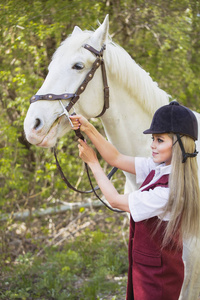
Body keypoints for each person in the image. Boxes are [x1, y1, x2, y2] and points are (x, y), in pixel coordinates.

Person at [70, 101, 200, 300]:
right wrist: (89, 128)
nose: (152, 145)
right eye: (153, 139)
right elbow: (116, 158)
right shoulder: (159, 168)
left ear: (179, 144)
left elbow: (114, 200)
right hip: (147, 268)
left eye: (159, 140)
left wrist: (93, 162)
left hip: (157, 278)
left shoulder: (169, 191)